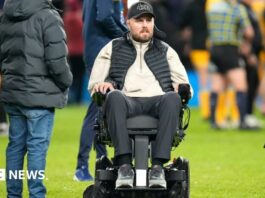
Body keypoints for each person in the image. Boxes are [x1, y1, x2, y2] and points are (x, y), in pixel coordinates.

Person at [89, 1, 192, 188]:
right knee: (113, 96)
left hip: (158, 101)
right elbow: (94, 85)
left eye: (148, 20)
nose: (145, 25)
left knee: (173, 98)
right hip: (126, 100)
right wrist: (101, 85)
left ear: (153, 23)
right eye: (139, 20)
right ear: (128, 23)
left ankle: (158, 167)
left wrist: (182, 89)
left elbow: (185, 86)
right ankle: (124, 166)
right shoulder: (113, 47)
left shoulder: (166, 50)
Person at [0, 0, 72, 197]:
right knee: (36, 147)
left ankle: (13, 194)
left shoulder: (6, 14)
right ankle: (36, 194)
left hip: (13, 93)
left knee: (15, 146)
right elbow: (56, 60)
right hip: (39, 95)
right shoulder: (48, 16)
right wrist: (67, 81)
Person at [73, 0, 127, 181]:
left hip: (95, 48)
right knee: (97, 107)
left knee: (101, 108)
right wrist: (125, 34)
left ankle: (101, 160)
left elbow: (86, 16)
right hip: (103, 51)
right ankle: (82, 166)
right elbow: (104, 17)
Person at [206, 0, 254, 129]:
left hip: (215, 50)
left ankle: (213, 122)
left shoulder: (213, 7)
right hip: (230, 49)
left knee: (216, 86)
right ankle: (242, 121)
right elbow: (249, 32)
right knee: (241, 86)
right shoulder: (238, 9)